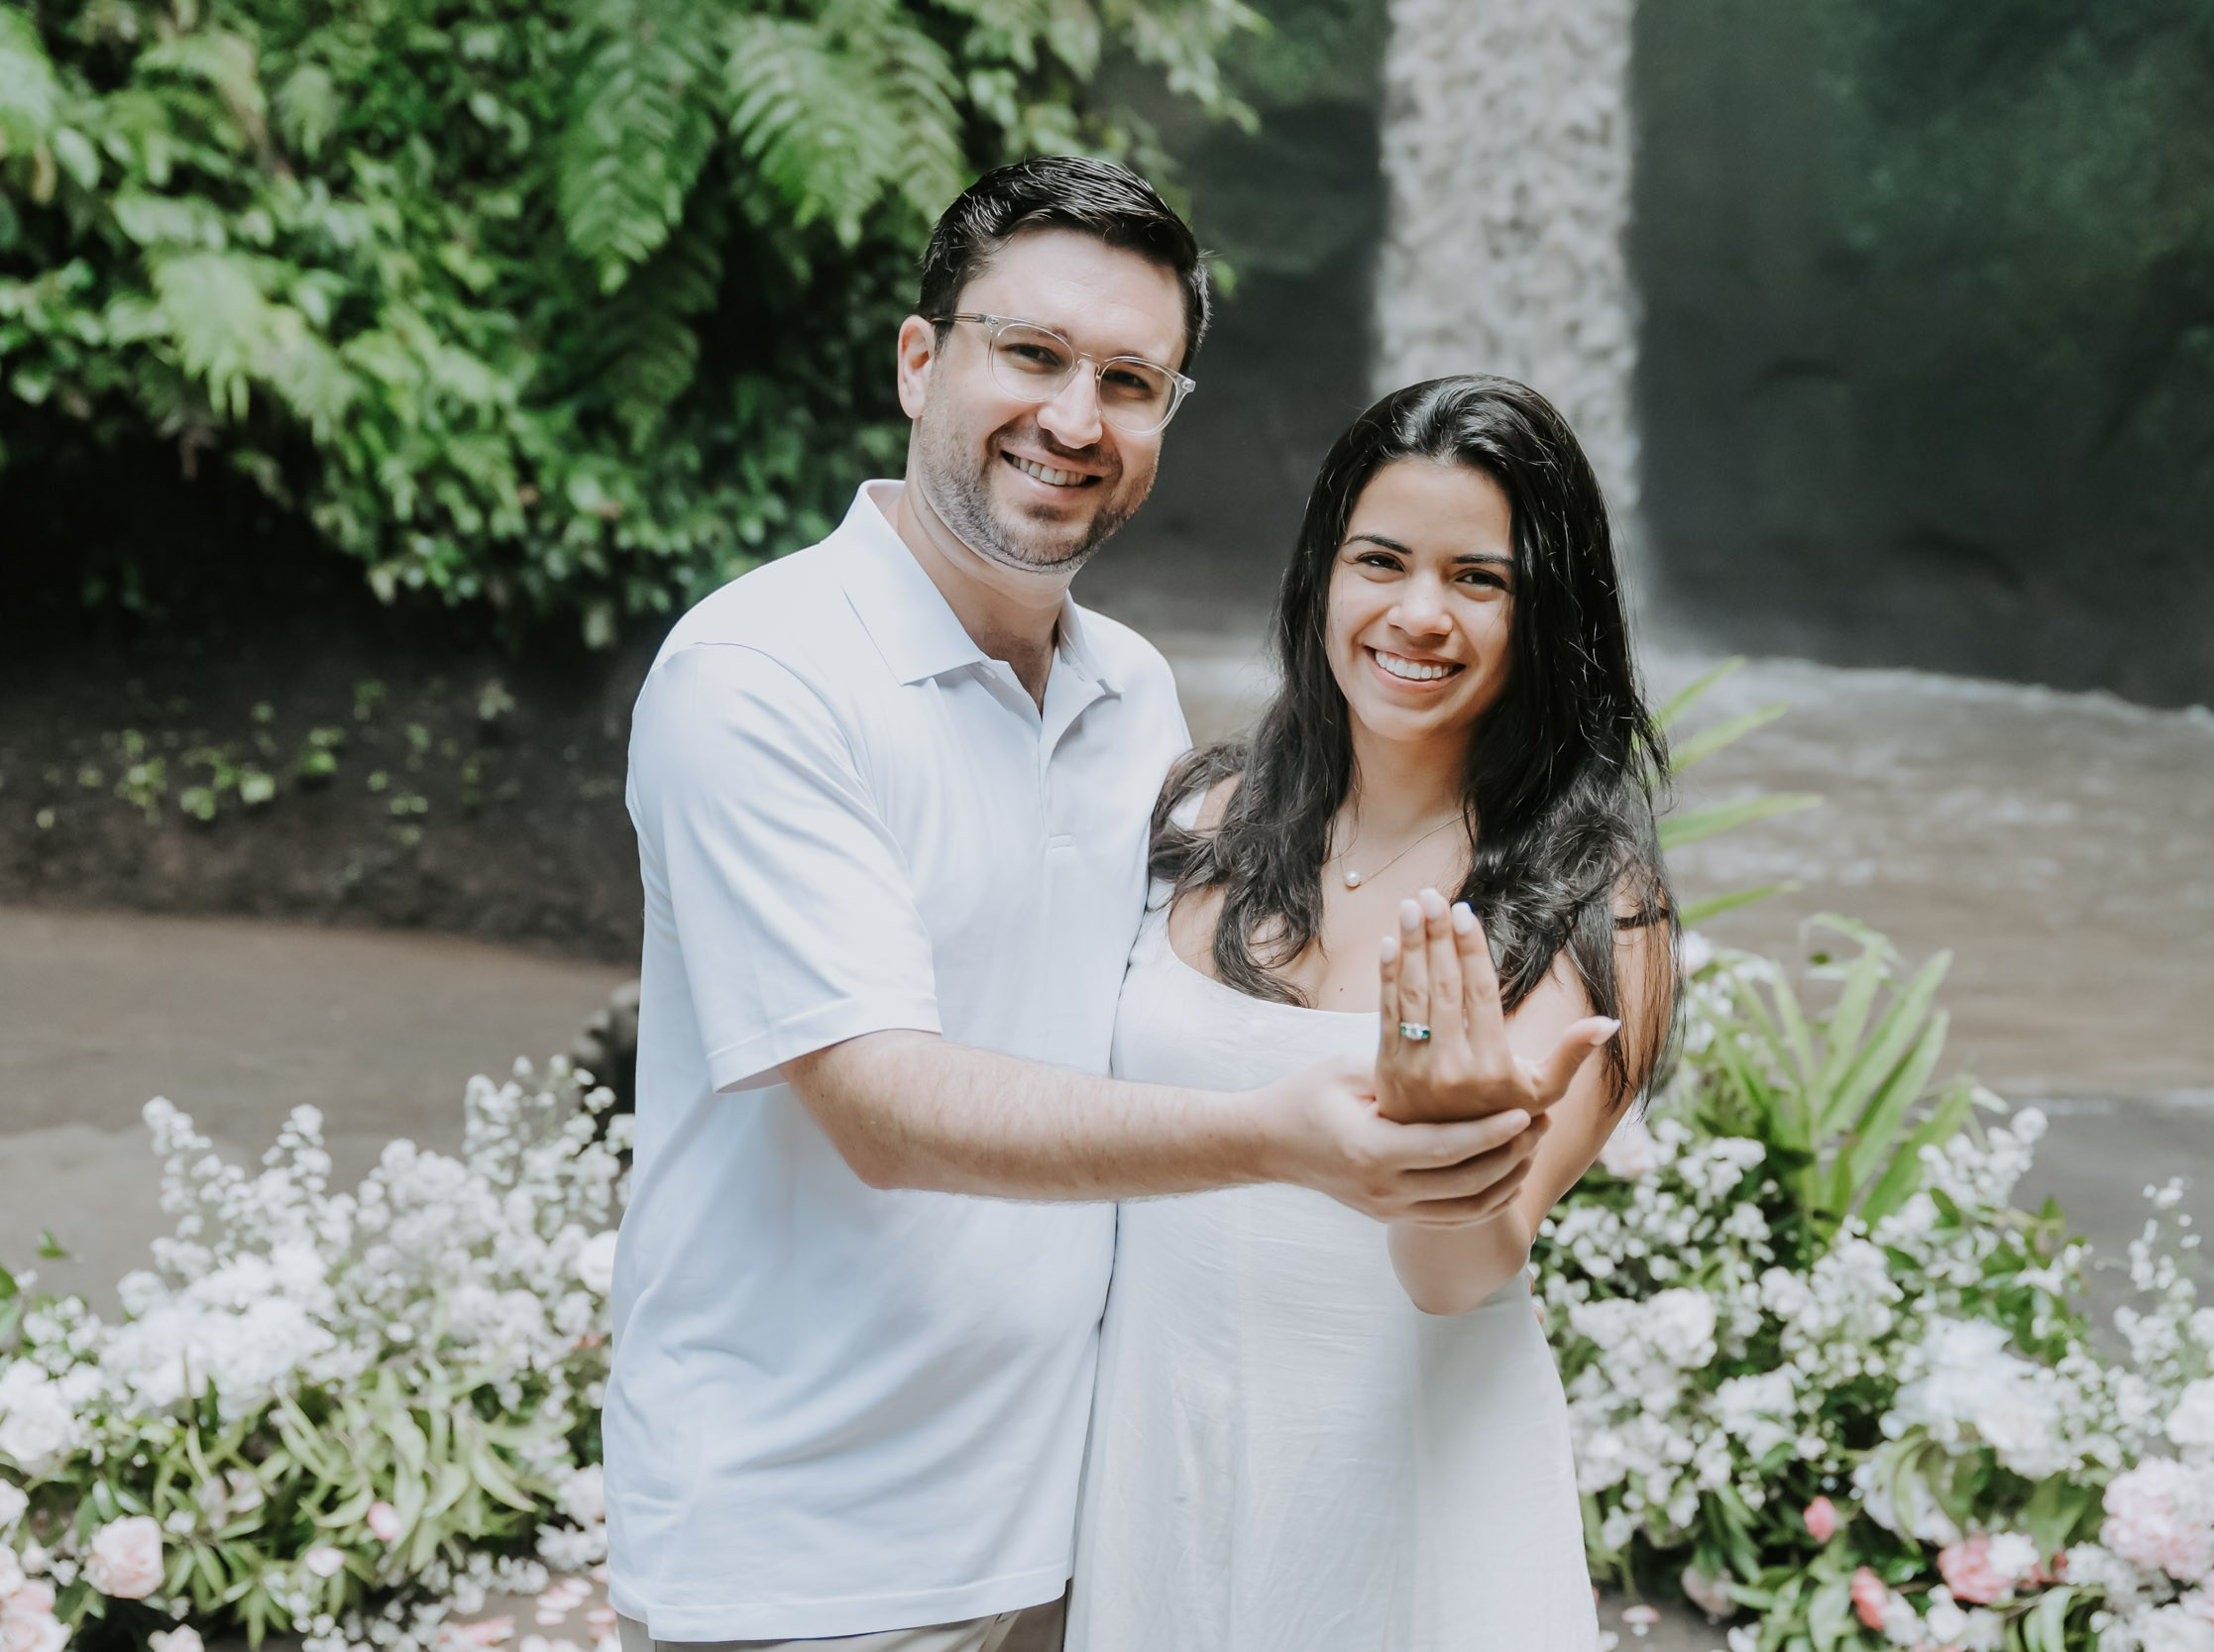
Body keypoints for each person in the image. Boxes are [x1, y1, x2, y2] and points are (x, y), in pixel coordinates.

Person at [609, 162, 1602, 1652]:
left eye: (1130, 382)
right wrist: (1282, 1134)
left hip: (1087, 1531)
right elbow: (881, 1108)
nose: (1075, 420)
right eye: (1032, 354)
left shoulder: (1131, 695)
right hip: (809, 1547)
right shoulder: (760, 679)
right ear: (919, 360)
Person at [1066, 375, 1681, 1651]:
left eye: (1478, 579)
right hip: (1160, 1470)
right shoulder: (1204, 819)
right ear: (1322, 575)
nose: (1417, 614)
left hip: (1403, 1506)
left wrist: (1444, 1151)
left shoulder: (1590, 907)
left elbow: (1460, 1277)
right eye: (1381, 561)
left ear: (1547, 612)